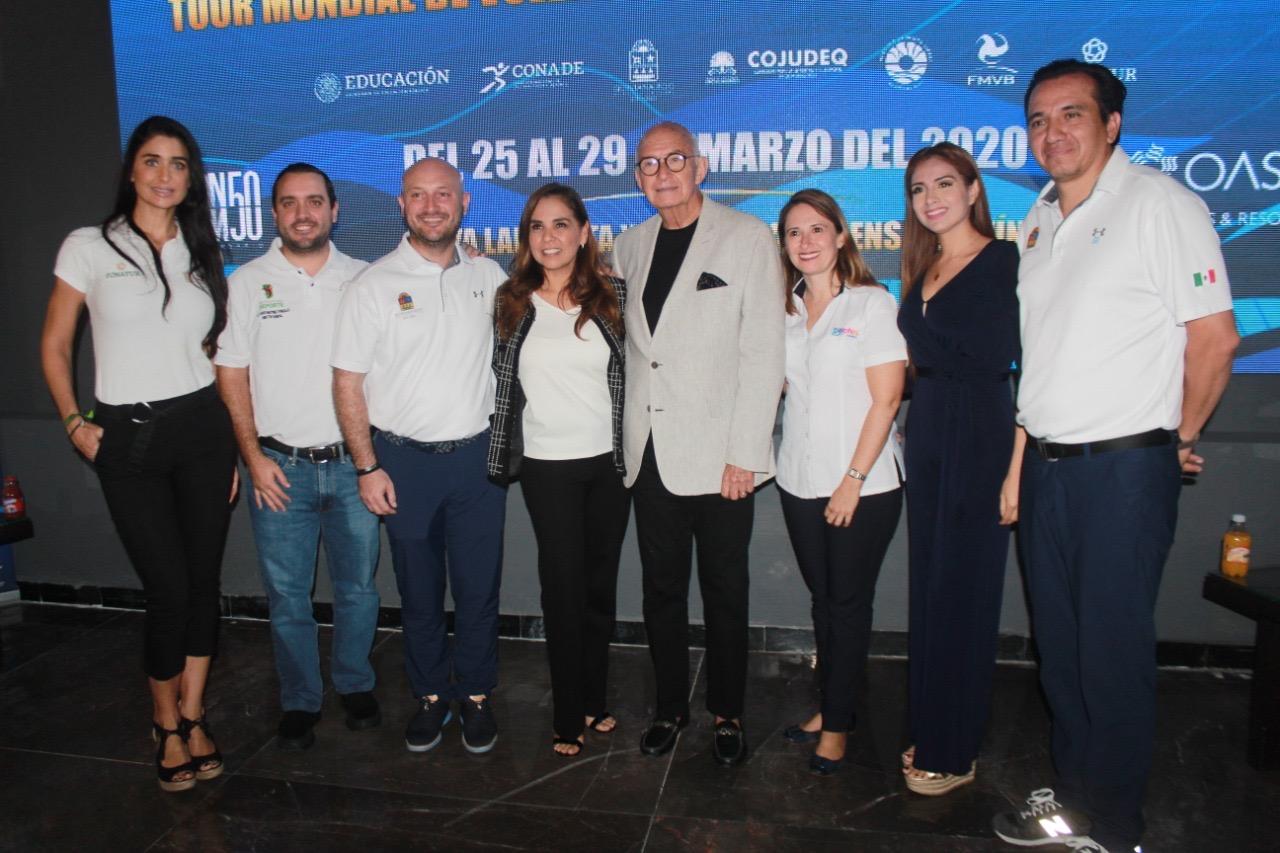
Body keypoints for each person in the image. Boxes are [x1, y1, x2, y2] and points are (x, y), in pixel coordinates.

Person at [991, 60, 1238, 852]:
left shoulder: (1160, 204)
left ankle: (1116, 825)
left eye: (1070, 114)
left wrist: (1180, 438)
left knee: (1110, 651)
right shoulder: (1036, 218)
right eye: (1038, 119)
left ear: (1112, 123)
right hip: (1052, 466)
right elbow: (1043, 359)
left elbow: (1214, 336)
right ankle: (1071, 802)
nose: (1052, 132)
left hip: (1124, 469)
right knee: (1060, 653)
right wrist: (1022, 463)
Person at [40, 115, 237, 792]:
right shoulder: (89, 246)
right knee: (168, 587)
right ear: (132, 169)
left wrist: (236, 447)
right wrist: (74, 422)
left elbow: (215, 354)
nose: (164, 175)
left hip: (205, 432)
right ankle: (163, 721)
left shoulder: (202, 249)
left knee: (204, 583)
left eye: (178, 164)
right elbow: (55, 342)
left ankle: (194, 710)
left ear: (191, 178)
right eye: (152, 161)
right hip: (130, 437)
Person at [612, 120, 785, 766]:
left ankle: (728, 711)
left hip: (722, 459)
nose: (663, 173)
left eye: (675, 160)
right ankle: (669, 708)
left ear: (701, 165)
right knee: (660, 590)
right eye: (649, 164)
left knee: (724, 590)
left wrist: (747, 451)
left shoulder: (746, 238)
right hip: (650, 451)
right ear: (638, 177)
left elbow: (764, 352)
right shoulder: (626, 246)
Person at [331, 157, 507, 756]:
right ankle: (432, 696)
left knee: (480, 589)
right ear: (401, 206)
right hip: (401, 463)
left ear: (464, 204)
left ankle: (477, 696)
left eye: (444, 195)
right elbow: (347, 382)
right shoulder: (372, 285)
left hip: (477, 459)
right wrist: (365, 464)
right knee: (421, 591)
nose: (432, 206)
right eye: (418, 195)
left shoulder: (489, 277)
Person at [215, 162, 381, 751]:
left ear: (334, 211)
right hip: (277, 467)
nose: (303, 212)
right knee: (288, 596)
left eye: (314, 201)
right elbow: (230, 372)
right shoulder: (246, 281)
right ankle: (300, 699)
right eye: (290, 202)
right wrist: (251, 457)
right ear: (275, 213)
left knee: (358, 587)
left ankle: (356, 684)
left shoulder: (364, 280)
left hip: (350, 463)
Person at [895, 142, 1023, 796]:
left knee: (966, 593)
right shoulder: (925, 265)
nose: (931, 198)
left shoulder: (1003, 260)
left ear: (974, 189)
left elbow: (1028, 367)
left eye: (945, 183)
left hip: (979, 431)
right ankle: (933, 723)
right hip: (930, 431)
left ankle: (954, 747)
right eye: (919, 189)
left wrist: (1016, 468)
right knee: (931, 587)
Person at [487, 183, 629, 757]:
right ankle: (567, 711)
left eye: (561, 224)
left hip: (610, 465)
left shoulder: (614, 295)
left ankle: (595, 698)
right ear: (527, 238)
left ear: (584, 232)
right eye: (538, 227)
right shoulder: (511, 300)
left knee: (599, 589)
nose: (550, 237)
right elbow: (499, 381)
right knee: (562, 589)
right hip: (547, 468)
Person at [774, 190, 906, 775]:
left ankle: (838, 725)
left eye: (817, 229)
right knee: (823, 601)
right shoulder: (787, 311)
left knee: (848, 605)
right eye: (794, 233)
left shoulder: (872, 305)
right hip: (798, 480)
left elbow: (887, 399)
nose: (805, 242)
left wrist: (852, 480)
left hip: (863, 485)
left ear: (841, 236)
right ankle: (833, 704)